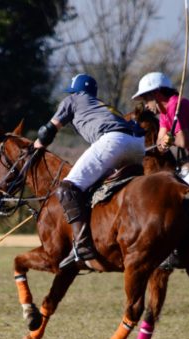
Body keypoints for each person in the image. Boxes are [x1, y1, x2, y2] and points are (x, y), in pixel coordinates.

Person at [34, 73, 145, 269]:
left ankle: (82, 245)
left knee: (67, 188)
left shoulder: (73, 100)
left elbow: (48, 130)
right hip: (137, 146)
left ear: (77, 91)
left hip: (112, 142)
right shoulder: (103, 106)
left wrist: (38, 145)